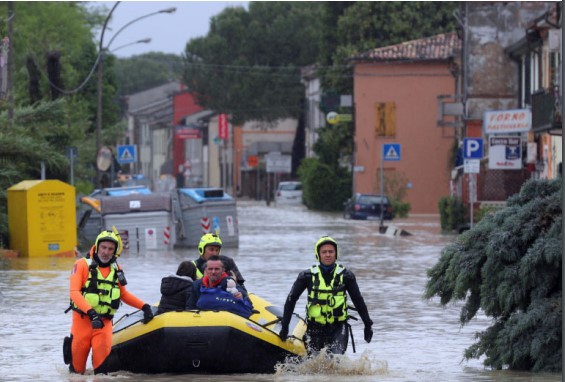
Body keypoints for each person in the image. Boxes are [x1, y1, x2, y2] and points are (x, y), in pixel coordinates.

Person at [65, 229, 154, 374]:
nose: (106, 252)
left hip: (104, 325)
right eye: (103, 247)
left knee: (101, 374)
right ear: (97, 246)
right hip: (82, 323)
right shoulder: (81, 265)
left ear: (115, 251)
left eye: (110, 249)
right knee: (77, 372)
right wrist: (91, 313)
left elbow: (123, 294)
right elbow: (74, 293)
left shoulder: (117, 269)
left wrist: (144, 306)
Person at [279, 236, 374, 355]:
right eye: (324, 252)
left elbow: (358, 301)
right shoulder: (306, 276)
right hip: (315, 328)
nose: (328, 255)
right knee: (315, 362)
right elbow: (291, 300)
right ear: (318, 254)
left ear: (336, 254)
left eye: (331, 251)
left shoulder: (347, 276)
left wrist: (367, 324)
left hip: (338, 327)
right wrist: (285, 327)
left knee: (335, 359)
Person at [186, 255, 253, 318]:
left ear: (223, 270)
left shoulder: (229, 283)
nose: (213, 272)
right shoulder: (196, 285)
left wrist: (240, 295)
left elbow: (243, 293)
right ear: (205, 270)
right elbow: (190, 307)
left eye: (217, 269)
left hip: (226, 320)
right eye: (210, 269)